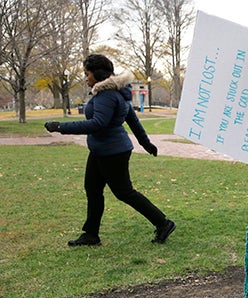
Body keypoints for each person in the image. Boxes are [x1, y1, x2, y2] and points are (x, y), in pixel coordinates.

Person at [44, 54, 175, 246]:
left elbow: (98, 123)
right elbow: (132, 119)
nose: (85, 78)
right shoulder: (116, 92)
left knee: (124, 192)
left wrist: (60, 127)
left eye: (87, 73)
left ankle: (163, 223)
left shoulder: (107, 94)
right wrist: (146, 144)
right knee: (93, 189)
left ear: (97, 74)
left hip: (112, 153)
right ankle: (91, 234)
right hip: (100, 151)